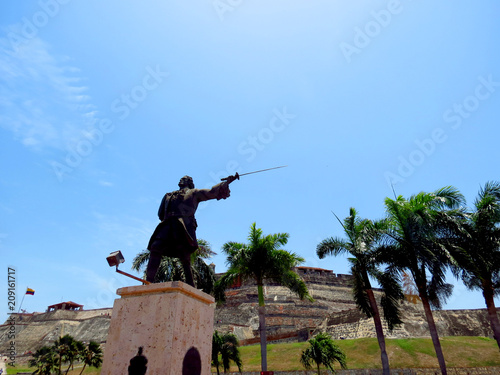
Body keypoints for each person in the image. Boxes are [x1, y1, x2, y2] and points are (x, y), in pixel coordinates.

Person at [146, 175, 237, 285]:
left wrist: (226, 183)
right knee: (156, 247)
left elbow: (212, 192)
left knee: (184, 255)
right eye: (181, 178)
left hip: (183, 226)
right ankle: (148, 281)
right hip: (167, 224)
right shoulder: (168, 195)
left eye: (185, 179)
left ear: (189, 182)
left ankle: (190, 284)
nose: (181, 179)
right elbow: (160, 213)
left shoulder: (194, 193)